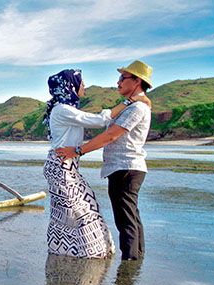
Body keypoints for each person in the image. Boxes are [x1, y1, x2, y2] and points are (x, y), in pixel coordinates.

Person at [56, 60, 153, 260]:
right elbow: (107, 123)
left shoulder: (137, 108)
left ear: (136, 81)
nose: (118, 82)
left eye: (123, 78)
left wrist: (77, 150)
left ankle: (129, 265)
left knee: (125, 219)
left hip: (125, 167)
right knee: (131, 216)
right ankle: (136, 262)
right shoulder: (133, 105)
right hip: (125, 167)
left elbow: (110, 136)